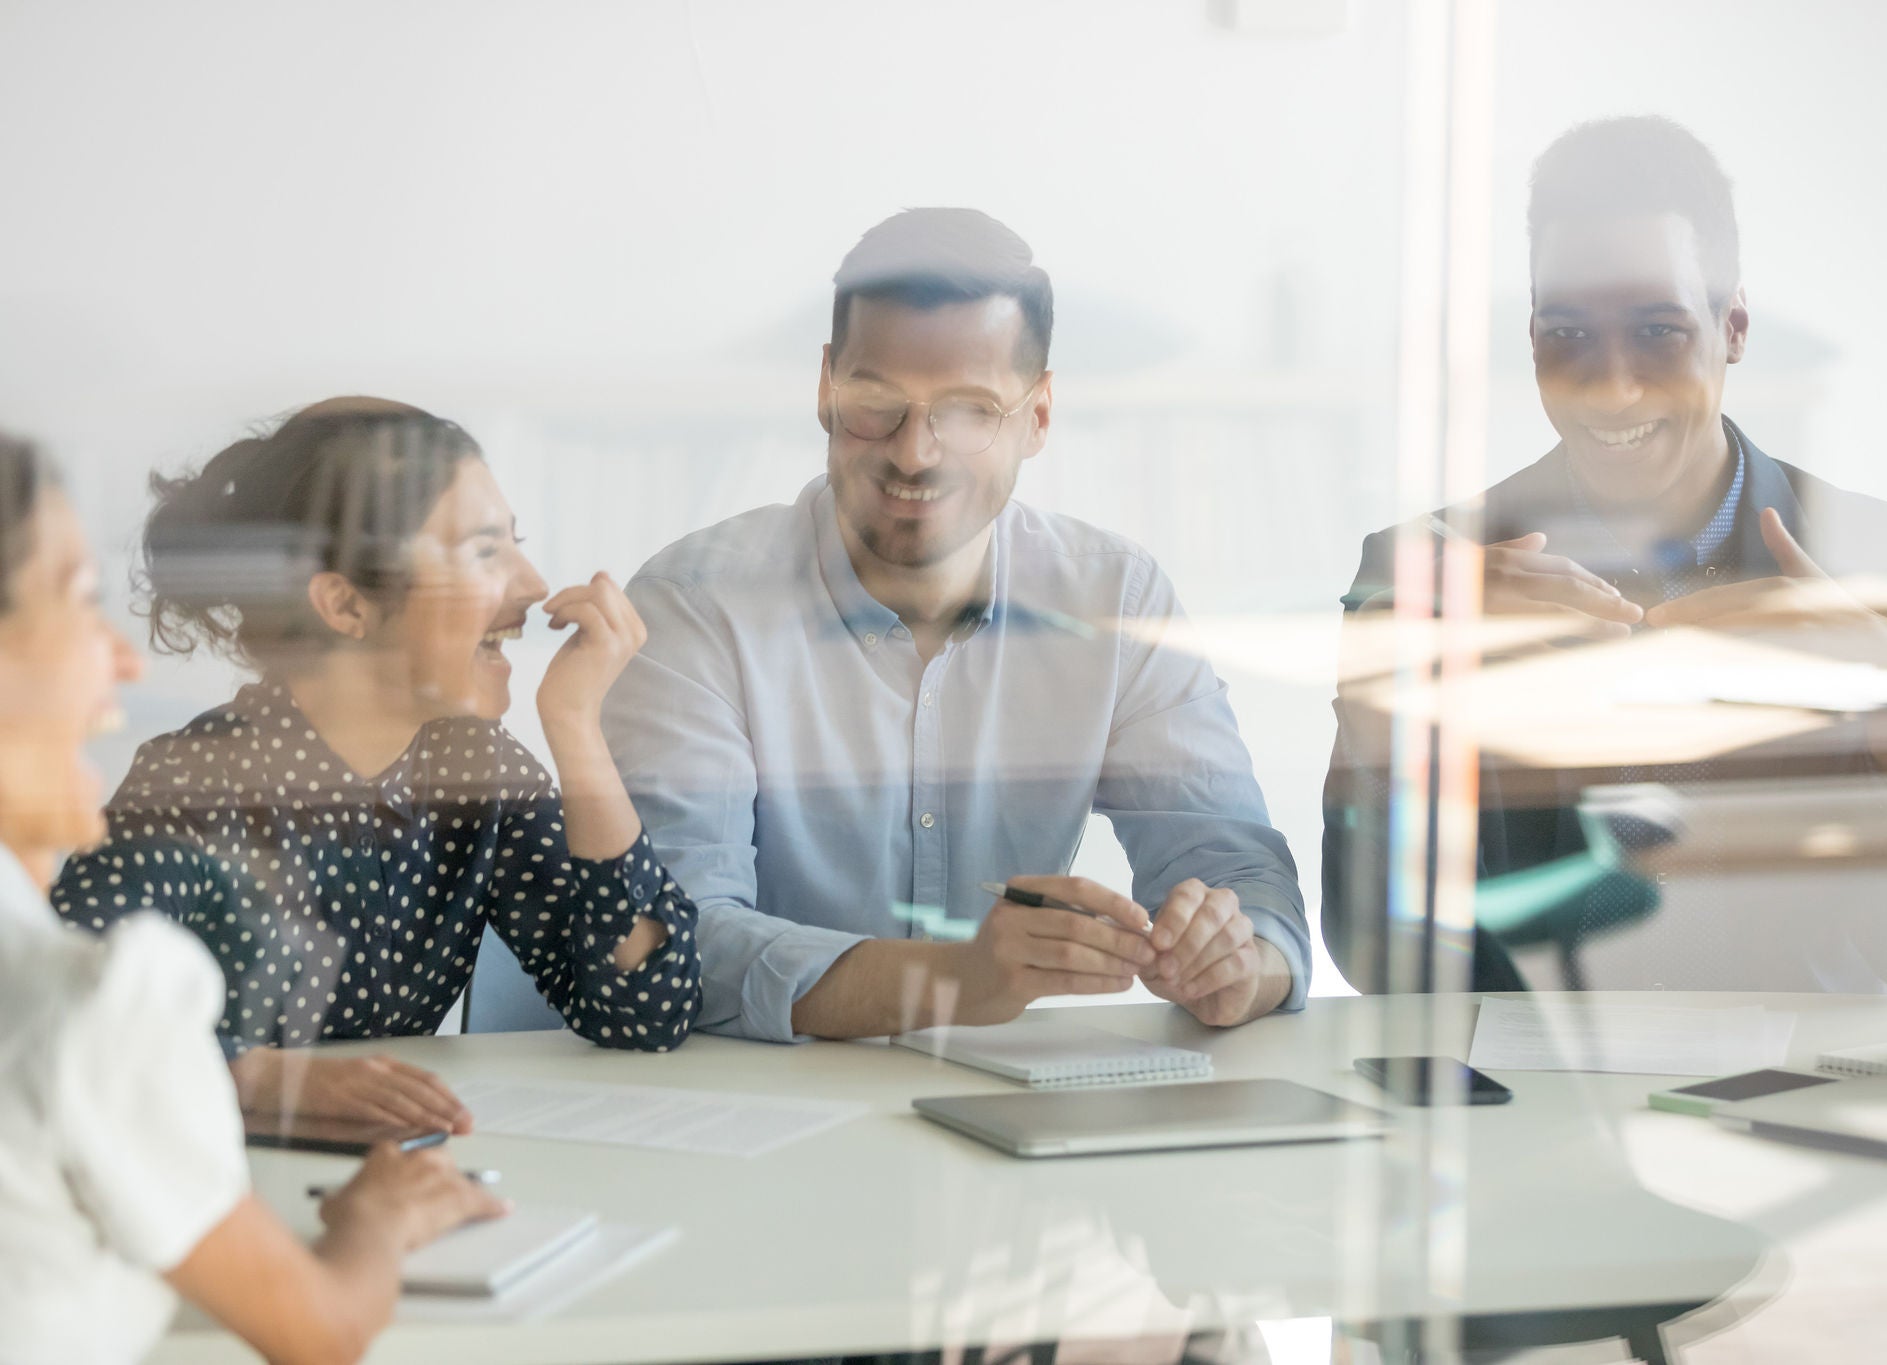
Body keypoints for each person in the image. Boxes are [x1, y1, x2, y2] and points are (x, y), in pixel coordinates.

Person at [1323, 116, 1887, 996]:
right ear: (1531, 338)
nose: (1612, 384)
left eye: (1658, 331)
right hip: (1525, 1098)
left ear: (1735, 327)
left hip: (1804, 1090)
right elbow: (1371, 953)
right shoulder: (1423, 571)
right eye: (1567, 333)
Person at [601, 208, 1309, 1042]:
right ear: (826, 390)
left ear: (1038, 417)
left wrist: (1239, 962)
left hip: (1001, 1110)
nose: (915, 453)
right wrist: (952, 983)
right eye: (876, 402)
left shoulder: (1114, 597)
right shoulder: (694, 604)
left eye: (970, 410)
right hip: (755, 1106)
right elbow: (674, 942)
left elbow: (1234, 869)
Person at [53, 398, 703, 1133]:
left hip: (391, 1176)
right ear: (344, 604)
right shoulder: (196, 783)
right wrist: (259, 1072)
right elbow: (62, 998)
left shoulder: (478, 775)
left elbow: (646, 1010)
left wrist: (576, 728)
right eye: (486, 552)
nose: (531, 585)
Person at [0, 428, 505, 1365]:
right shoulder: (88, 1001)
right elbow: (317, 1328)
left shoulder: (479, 773)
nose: (123, 659)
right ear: (344, 606)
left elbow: (641, 986)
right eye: (76, 604)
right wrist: (380, 1219)